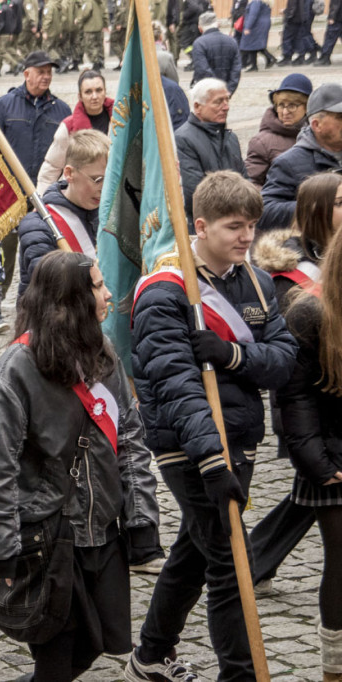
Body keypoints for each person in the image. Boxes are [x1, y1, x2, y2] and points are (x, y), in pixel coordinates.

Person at [125, 171, 298, 682]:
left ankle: (151, 653)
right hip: (189, 446)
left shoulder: (257, 282)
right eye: (233, 227)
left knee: (193, 552)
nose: (247, 237)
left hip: (240, 436)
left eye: (251, 225)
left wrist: (232, 354)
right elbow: (177, 386)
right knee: (229, 561)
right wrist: (210, 459)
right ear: (200, 226)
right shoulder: (165, 292)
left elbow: (284, 359)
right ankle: (239, 674)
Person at [0, 250, 161, 682]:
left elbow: (129, 438)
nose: (108, 294)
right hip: (49, 537)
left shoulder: (102, 353)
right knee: (56, 658)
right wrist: (0, 551)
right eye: (98, 285)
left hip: (102, 531)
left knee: (95, 643)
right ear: (70, 300)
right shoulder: (15, 371)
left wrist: (141, 518)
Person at [248, 171, 341, 595]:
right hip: (311, 407)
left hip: (330, 414)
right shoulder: (292, 279)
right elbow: (295, 364)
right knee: (319, 486)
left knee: (313, 495)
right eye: (339, 203)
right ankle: (250, 565)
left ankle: (254, 563)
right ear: (318, 211)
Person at [275, 227, 342, 682]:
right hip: (331, 459)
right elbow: (294, 398)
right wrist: (319, 464)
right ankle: (334, 667)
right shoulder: (310, 312)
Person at [0, 50, 71, 326]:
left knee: (41, 250)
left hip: (45, 196)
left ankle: (41, 304)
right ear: (26, 74)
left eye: (49, 72)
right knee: (5, 251)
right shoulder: (4, 106)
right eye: (41, 71)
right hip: (9, 195)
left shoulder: (62, 111)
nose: (46, 77)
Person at [19, 130, 109, 298]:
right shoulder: (40, 224)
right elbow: (47, 284)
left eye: (109, 179)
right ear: (69, 174)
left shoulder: (110, 216)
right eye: (97, 179)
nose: (104, 188)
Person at [261, 84, 342, 233]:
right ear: (316, 125)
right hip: (317, 244)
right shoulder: (289, 162)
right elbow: (265, 211)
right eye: (340, 117)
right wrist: (318, 208)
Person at [176, 78, 245, 231]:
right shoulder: (183, 140)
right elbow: (195, 194)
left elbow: (245, 182)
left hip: (235, 222)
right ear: (197, 107)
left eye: (227, 100)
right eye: (218, 102)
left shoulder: (230, 138)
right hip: (205, 228)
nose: (226, 107)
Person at [38, 70, 111, 187]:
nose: (94, 96)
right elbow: (51, 169)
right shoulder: (68, 127)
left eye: (99, 90)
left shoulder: (121, 122)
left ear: (105, 92)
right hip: (79, 192)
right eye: (88, 92)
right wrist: (42, 197)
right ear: (80, 96)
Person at [245, 73, 311, 188]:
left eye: (292, 106)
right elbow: (251, 184)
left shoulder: (318, 134)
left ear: (307, 107)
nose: (285, 112)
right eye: (281, 105)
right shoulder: (262, 142)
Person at [189, 12, 241, 94]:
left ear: (200, 28)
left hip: (207, 91)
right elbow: (236, 69)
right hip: (225, 89)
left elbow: (202, 70)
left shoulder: (199, 43)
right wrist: (229, 90)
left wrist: (216, 90)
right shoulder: (232, 41)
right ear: (218, 24)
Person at [0, 0, 23, 77]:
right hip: (8, 33)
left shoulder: (2, 9)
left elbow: (1, 23)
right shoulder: (9, 8)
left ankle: (15, 64)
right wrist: (11, 32)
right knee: (1, 50)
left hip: (3, 34)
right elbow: (12, 22)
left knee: (2, 51)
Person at [239, 0, 273, 71]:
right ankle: (256, 64)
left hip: (256, 25)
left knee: (251, 44)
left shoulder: (255, 2)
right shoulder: (265, 2)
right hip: (262, 24)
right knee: (254, 45)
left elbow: (253, 15)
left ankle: (268, 58)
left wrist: (248, 27)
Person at [317, 0, 342, 65]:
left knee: (330, 38)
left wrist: (331, 17)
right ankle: (325, 57)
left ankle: (325, 58)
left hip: (337, 18)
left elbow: (335, 4)